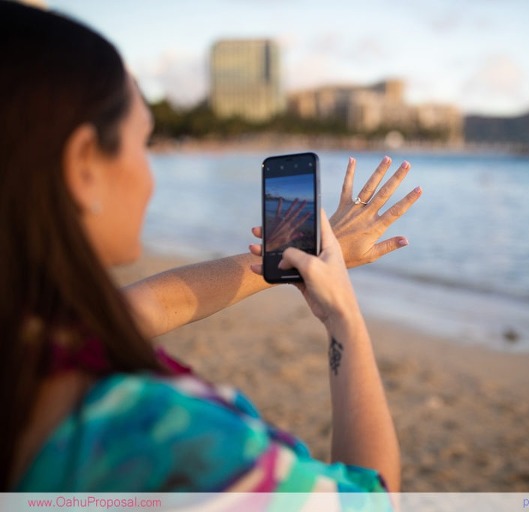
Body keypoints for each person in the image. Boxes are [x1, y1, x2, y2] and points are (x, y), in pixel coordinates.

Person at [0, 1, 422, 497]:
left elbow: (147, 306)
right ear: (83, 166)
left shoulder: (25, 341)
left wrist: (285, 259)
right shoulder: (173, 442)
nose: (151, 174)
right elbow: (372, 499)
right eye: (144, 142)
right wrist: (343, 313)